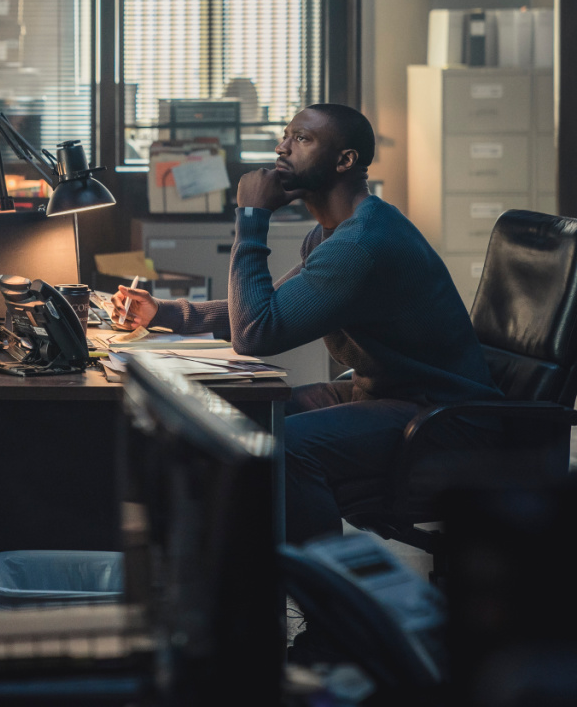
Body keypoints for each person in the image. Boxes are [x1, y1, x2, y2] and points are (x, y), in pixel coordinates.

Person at [112, 103, 503, 546]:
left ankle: (327, 600)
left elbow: (256, 333)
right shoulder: (334, 233)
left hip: (443, 419)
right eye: (284, 136)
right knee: (248, 419)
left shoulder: (361, 245)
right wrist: (162, 313)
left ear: (345, 160)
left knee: (284, 448)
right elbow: (271, 307)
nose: (282, 148)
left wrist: (252, 220)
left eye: (301, 138)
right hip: (390, 396)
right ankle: (227, 573)